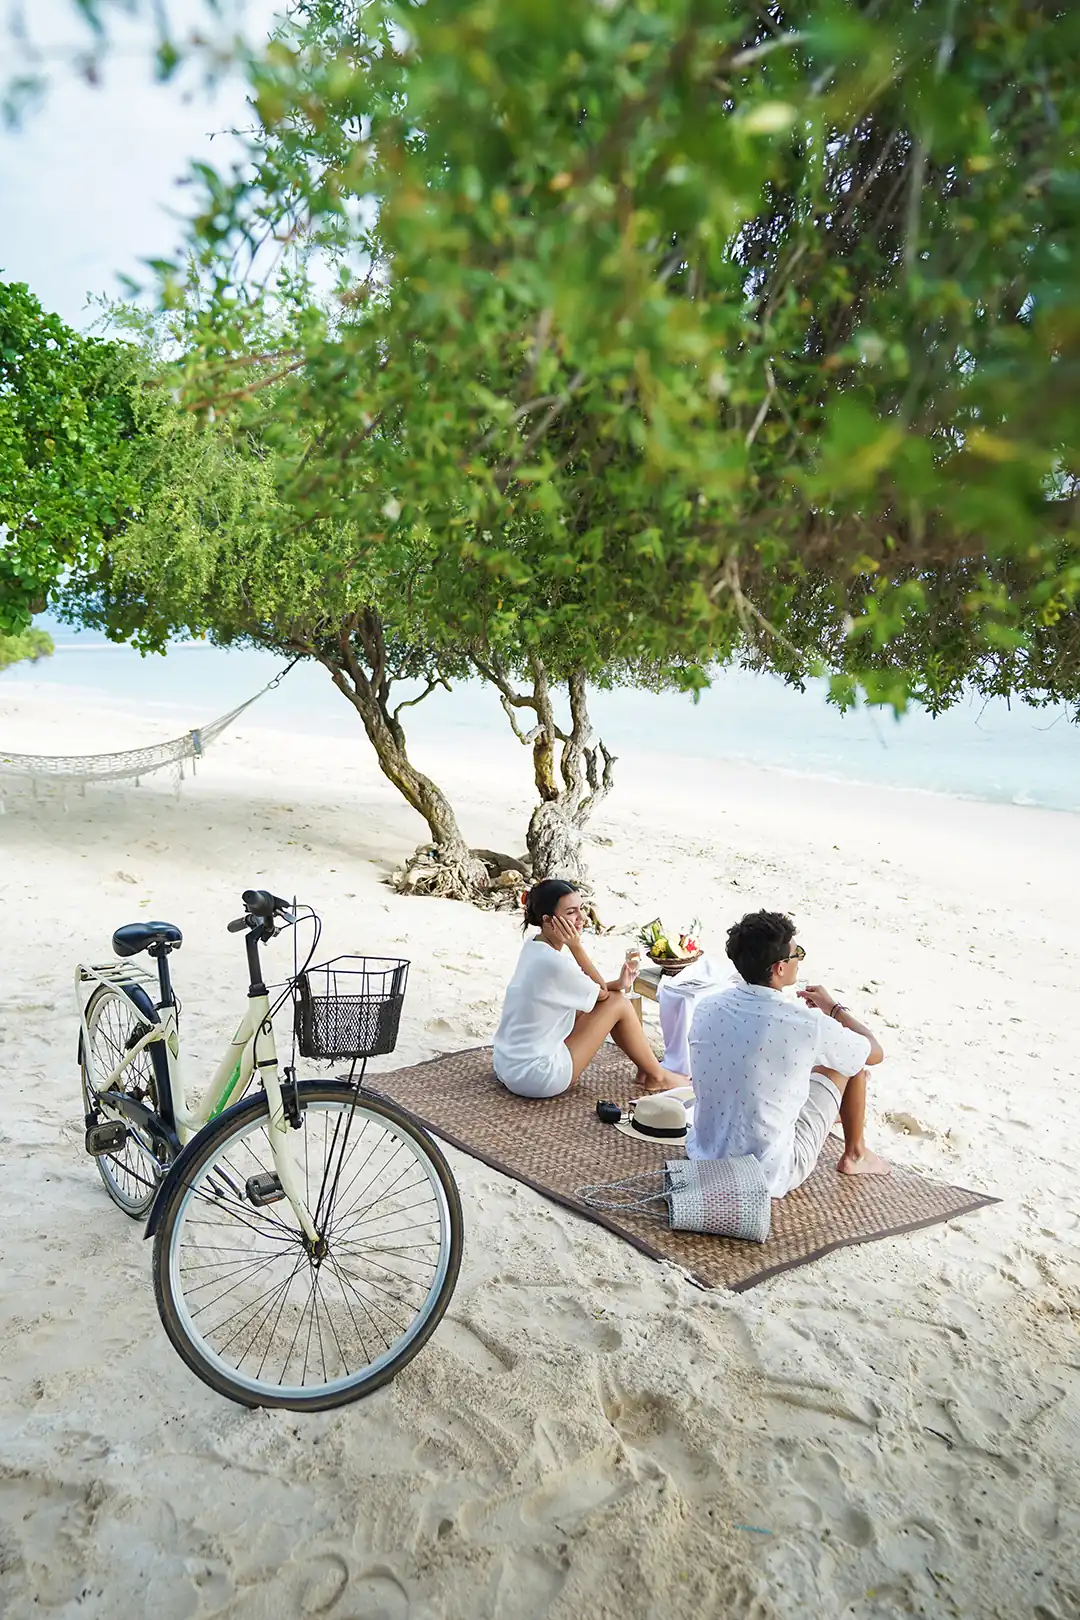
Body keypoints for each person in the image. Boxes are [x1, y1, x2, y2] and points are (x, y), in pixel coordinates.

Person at [688, 910, 889, 1194]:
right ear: (780, 967)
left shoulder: (707, 1007)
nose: (800, 960)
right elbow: (874, 1052)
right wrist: (833, 1009)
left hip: (707, 1154)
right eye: (798, 954)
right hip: (770, 1172)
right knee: (849, 1061)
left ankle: (838, 1114)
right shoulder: (805, 1023)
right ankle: (856, 1154)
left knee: (804, 1059)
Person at [493, 879, 690, 1099]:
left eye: (581, 909)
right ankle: (657, 1076)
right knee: (618, 1003)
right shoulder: (555, 963)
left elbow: (588, 991)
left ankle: (648, 1069)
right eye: (571, 912)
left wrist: (618, 984)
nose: (582, 918)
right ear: (548, 921)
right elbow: (603, 995)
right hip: (536, 1076)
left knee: (612, 998)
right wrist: (577, 948)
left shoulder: (534, 945)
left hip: (508, 1064)